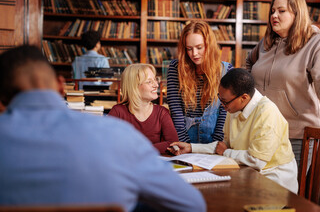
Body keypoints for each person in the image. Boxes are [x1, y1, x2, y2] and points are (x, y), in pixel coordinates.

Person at [0, 45, 206, 212]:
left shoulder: (134, 121)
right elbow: (192, 205)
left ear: (2, 100)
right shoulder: (115, 133)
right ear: (62, 86)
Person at [246, 0, 320, 166]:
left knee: (288, 193)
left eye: (281, 11)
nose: (274, 15)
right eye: (272, 11)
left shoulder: (317, 42)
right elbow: (249, 64)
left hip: (296, 136)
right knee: (259, 191)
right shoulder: (266, 43)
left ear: (297, 13)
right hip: (262, 133)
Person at [168, 68, 298, 194]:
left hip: (273, 179)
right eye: (220, 99)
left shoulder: (267, 113)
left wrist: (226, 152)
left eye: (225, 102)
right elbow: (223, 146)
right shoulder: (234, 107)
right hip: (247, 172)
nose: (222, 106)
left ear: (244, 98)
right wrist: (191, 148)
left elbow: (256, 160)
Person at [167, 20, 232, 143]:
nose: (194, 54)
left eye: (199, 47)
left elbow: (225, 112)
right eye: (189, 49)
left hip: (214, 140)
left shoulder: (225, 70)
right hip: (185, 138)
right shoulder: (175, 68)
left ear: (209, 45)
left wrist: (215, 144)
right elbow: (176, 110)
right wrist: (185, 144)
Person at [108, 64, 178, 154]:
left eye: (155, 80)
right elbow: (106, 143)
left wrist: (139, 150)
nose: (156, 85)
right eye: (149, 82)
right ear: (134, 87)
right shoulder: (118, 112)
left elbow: (174, 144)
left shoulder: (162, 112)